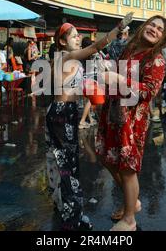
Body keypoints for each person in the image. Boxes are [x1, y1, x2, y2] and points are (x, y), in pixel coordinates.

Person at [45, 16, 129, 231]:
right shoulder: (67, 55)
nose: (77, 37)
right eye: (73, 35)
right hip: (62, 113)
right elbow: (95, 47)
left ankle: (67, 208)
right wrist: (117, 28)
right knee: (68, 167)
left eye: (77, 34)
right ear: (62, 41)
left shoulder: (65, 58)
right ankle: (71, 221)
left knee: (65, 163)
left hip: (64, 111)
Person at [96, 15, 166, 231]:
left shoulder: (156, 59)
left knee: (128, 169)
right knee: (108, 159)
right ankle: (133, 202)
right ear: (144, 26)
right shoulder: (131, 47)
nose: (154, 30)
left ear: (162, 38)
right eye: (152, 25)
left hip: (132, 120)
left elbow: (148, 92)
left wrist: (119, 80)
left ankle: (129, 219)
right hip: (113, 113)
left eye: (159, 29)